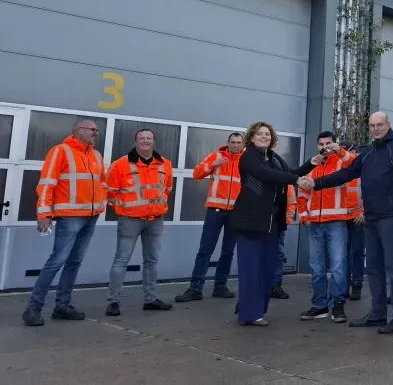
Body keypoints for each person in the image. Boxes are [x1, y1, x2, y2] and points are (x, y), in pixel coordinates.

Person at [310, 111, 393, 335]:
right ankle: (377, 314)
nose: (376, 128)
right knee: (374, 268)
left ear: (388, 125)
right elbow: (347, 173)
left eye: (379, 124)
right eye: (372, 125)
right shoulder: (367, 153)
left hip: (391, 216)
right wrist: (315, 183)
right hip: (371, 217)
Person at [229, 121, 317, 326]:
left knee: (267, 270)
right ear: (251, 137)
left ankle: (250, 307)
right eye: (259, 134)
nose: (264, 137)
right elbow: (265, 174)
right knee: (251, 270)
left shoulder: (274, 158)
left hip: (272, 223)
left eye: (267, 134)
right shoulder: (249, 155)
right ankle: (250, 314)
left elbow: (292, 171)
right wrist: (296, 179)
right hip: (250, 222)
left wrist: (313, 162)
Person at [22, 119, 107, 327]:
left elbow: (102, 183)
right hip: (70, 217)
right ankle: (33, 308)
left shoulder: (96, 155)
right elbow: (46, 184)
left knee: (74, 262)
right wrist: (44, 213)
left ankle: (62, 306)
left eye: (97, 130)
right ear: (78, 131)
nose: (96, 133)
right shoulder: (60, 151)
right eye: (92, 130)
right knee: (57, 261)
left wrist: (102, 203)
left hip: (91, 216)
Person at [105, 129, 175, 316]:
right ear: (135, 142)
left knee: (152, 261)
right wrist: (124, 209)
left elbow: (166, 189)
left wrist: (155, 208)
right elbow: (109, 191)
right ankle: (113, 301)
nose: (145, 141)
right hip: (130, 220)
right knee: (121, 260)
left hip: (155, 220)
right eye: (141, 138)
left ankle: (150, 299)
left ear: (154, 141)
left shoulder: (165, 164)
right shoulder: (120, 164)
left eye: (149, 138)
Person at [297, 132, 362, 323]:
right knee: (316, 268)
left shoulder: (341, 162)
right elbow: (302, 194)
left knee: (338, 266)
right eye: (321, 143)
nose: (324, 146)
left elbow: (356, 165)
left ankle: (338, 305)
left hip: (336, 222)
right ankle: (320, 305)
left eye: (328, 143)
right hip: (315, 224)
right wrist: (304, 217)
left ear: (333, 144)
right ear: (317, 146)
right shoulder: (312, 166)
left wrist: (340, 151)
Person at [175, 132, 245, 302]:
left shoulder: (246, 160)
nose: (236, 145)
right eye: (233, 142)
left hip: (236, 212)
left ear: (243, 144)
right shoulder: (217, 156)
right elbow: (197, 174)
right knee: (205, 250)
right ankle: (195, 288)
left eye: (239, 143)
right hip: (215, 210)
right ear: (227, 142)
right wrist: (213, 164)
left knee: (228, 252)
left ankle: (220, 286)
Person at [342, 142, 366, 300]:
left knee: (356, 253)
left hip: (358, 217)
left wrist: (364, 212)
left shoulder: (363, 167)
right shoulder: (339, 166)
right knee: (342, 255)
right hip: (341, 217)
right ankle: (343, 286)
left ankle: (356, 284)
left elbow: (371, 192)